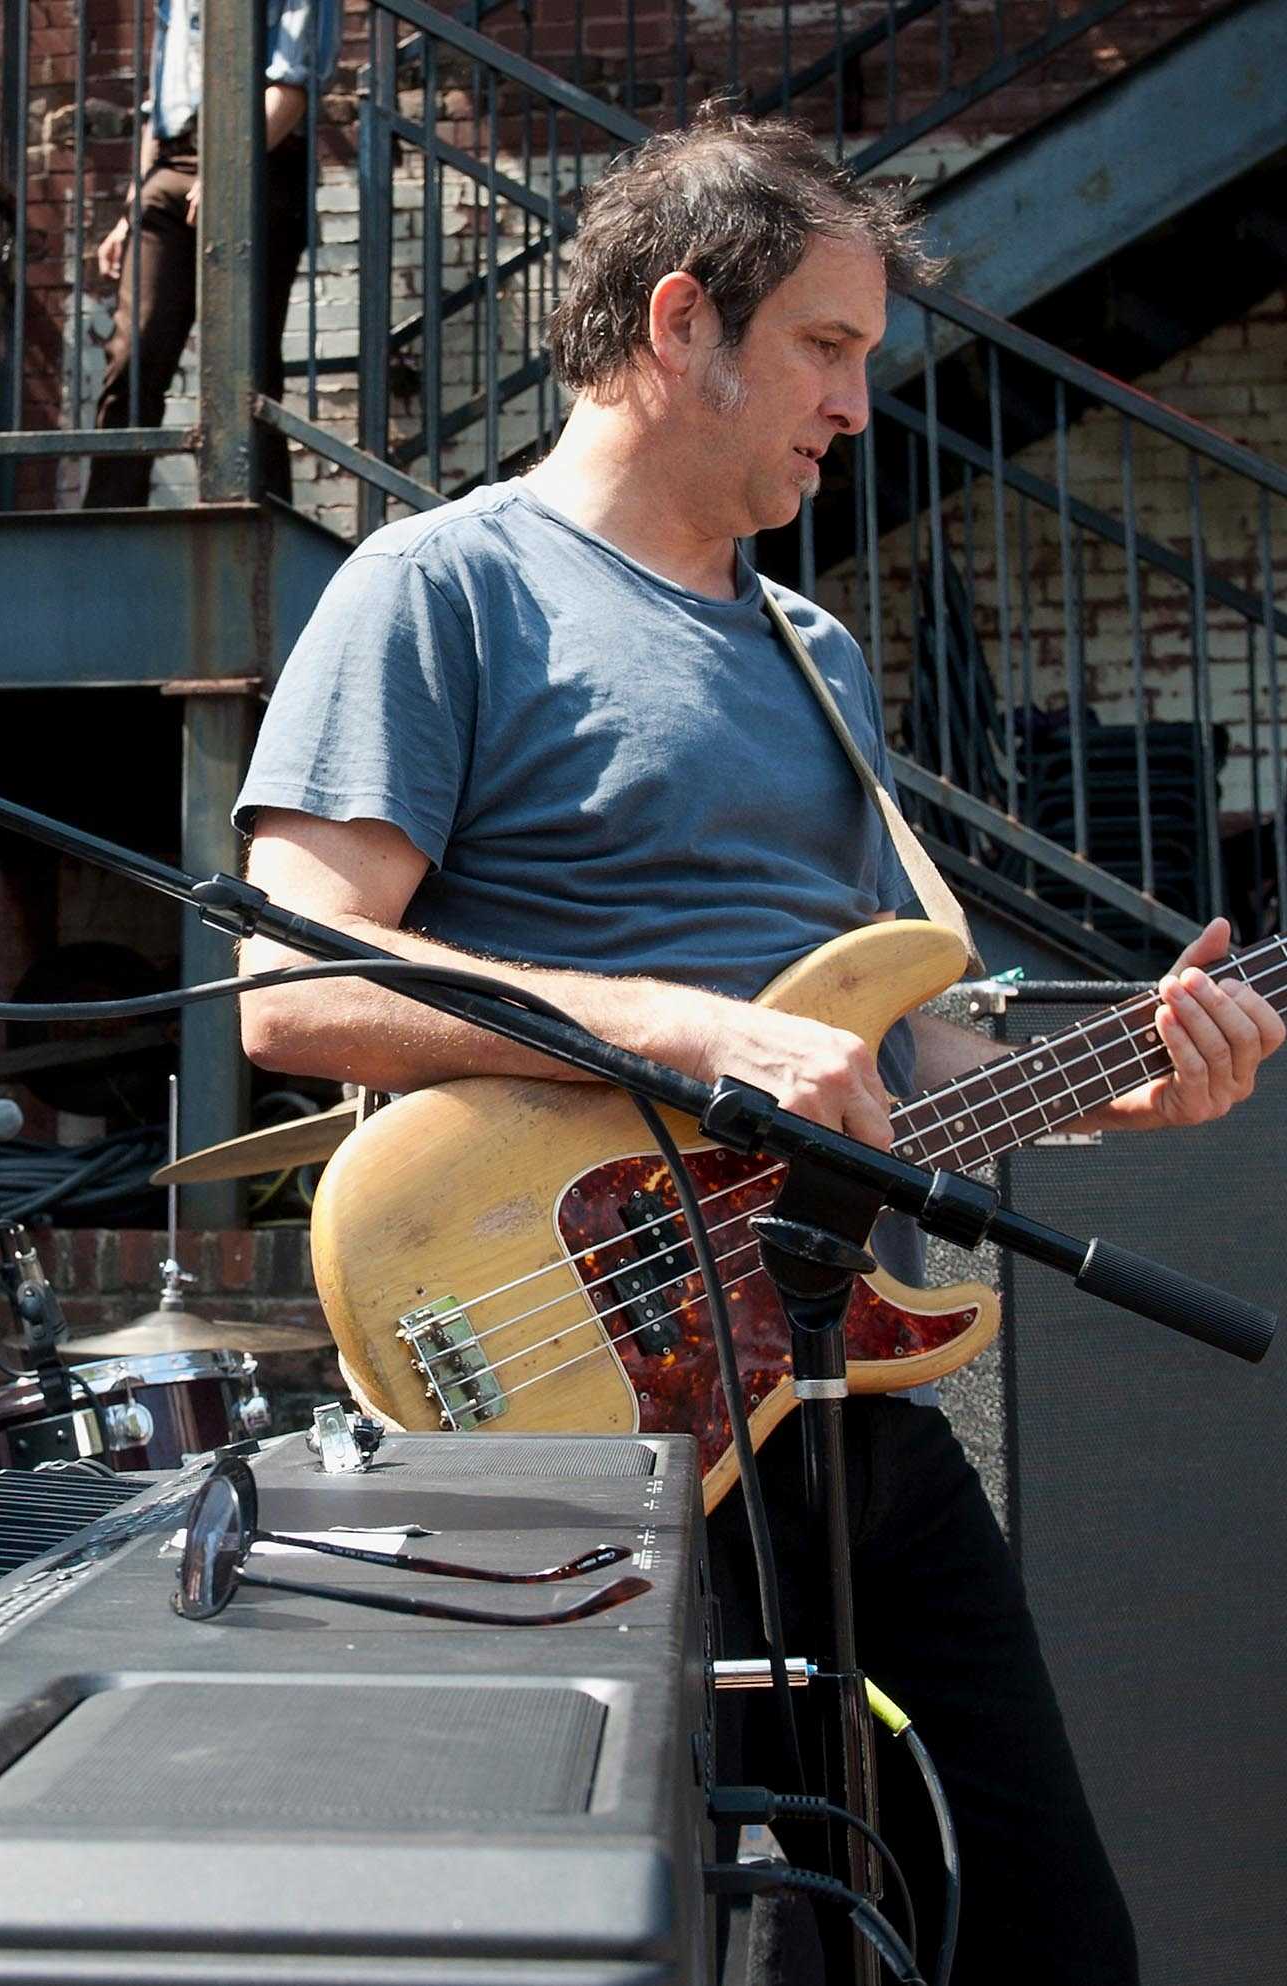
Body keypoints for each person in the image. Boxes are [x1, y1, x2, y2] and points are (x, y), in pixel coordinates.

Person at [229, 113, 1279, 1985]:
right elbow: (287, 990)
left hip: (833, 1392)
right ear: (678, 321)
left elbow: (892, 1059)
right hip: (579, 1409)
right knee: (651, 1945)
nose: (858, 406)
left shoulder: (815, 651)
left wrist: (1118, 1082)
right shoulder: (439, 586)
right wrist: (680, 1026)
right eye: (824, 347)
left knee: (1044, 1937)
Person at [83, 0, 341, 508]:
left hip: (264, 155)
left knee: (245, 364)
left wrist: (231, 164)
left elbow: (293, 85)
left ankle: (256, 516)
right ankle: (109, 519)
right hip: (172, 163)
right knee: (134, 353)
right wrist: (131, 208)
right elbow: (160, 106)